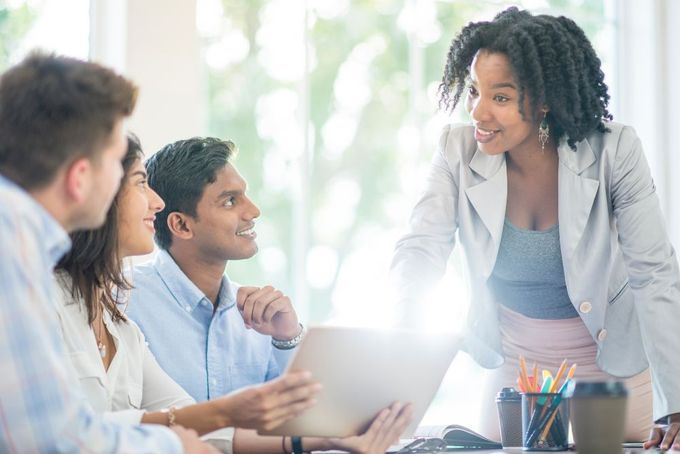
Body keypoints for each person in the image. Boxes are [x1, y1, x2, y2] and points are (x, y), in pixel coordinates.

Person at [389, 7, 680, 451]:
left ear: (543, 99)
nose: (478, 112)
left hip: (611, 372)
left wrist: (676, 403)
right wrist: (398, 361)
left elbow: (654, 273)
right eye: (473, 91)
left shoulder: (614, 150)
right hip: (517, 368)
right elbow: (420, 251)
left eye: (500, 98)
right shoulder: (456, 149)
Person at [55, 133, 412, 453]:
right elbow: (73, 431)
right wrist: (224, 413)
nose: (253, 211)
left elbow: (191, 422)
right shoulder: (115, 301)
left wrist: (328, 435)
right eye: (229, 201)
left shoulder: (122, 328)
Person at [0, 52, 212, 453]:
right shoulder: (11, 240)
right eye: (119, 165)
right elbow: (51, 440)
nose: (155, 200)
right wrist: (175, 446)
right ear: (81, 177)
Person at [126, 137, 301, 404]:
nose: (253, 211)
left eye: (245, 195)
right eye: (230, 201)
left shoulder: (261, 317)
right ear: (182, 225)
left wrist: (288, 338)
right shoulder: (124, 302)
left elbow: (301, 420)